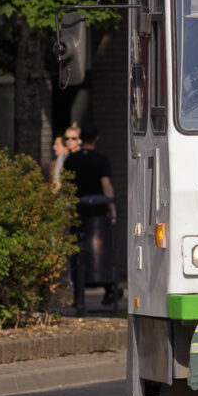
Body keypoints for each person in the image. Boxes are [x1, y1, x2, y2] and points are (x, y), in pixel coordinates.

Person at [60, 125, 119, 307]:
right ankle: (109, 287)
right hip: (99, 211)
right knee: (103, 247)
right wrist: (112, 207)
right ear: (97, 139)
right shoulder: (101, 159)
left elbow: (66, 185)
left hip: (79, 211)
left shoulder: (71, 159)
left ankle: (78, 297)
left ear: (80, 139)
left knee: (79, 248)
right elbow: (106, 184)